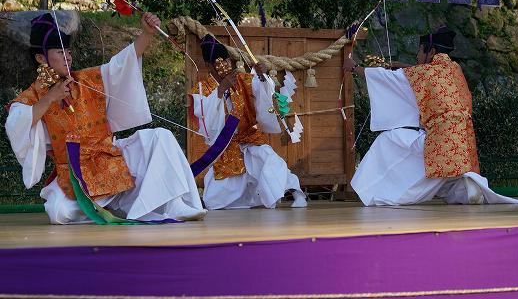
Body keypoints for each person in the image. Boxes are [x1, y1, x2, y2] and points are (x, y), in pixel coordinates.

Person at [5, 12, 206, 224]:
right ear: (40, 58)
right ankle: (114, 206)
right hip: (73, 173)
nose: (68, 57)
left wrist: (146, 34)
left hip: (110, 157)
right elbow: (17, 121)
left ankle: (173, 203)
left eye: (69, 51)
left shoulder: (86, 80)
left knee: (160, 137)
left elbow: (121, 64)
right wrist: (49, 98)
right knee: (59, 211)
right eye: (59, 51)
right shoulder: (31, 97)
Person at [346, 26, 518, 206]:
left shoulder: (423, 74)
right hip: (464, 143)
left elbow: (385, 79)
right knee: (449, 182)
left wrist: (355, 67)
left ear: (432, 52)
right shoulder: (455, 70)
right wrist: (406, 67)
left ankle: (380, 191)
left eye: (420, 52)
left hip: (440, 140)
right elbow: (428, 73)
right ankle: (469, 187)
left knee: (389, 140)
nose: (417, 57)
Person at [188, 35, 306, 209]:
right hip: (225, 146)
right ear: (208, 66)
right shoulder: (201, 89)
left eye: (226, 60)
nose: (223, 65)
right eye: (217, 63)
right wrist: (221, 89)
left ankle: (296, 192)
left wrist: (262, 75)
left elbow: (262, 92)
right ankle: (247, 200)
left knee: (268, 159)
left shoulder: (242, 79)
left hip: (249, 136)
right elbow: (205, 118)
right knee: (215, 200)